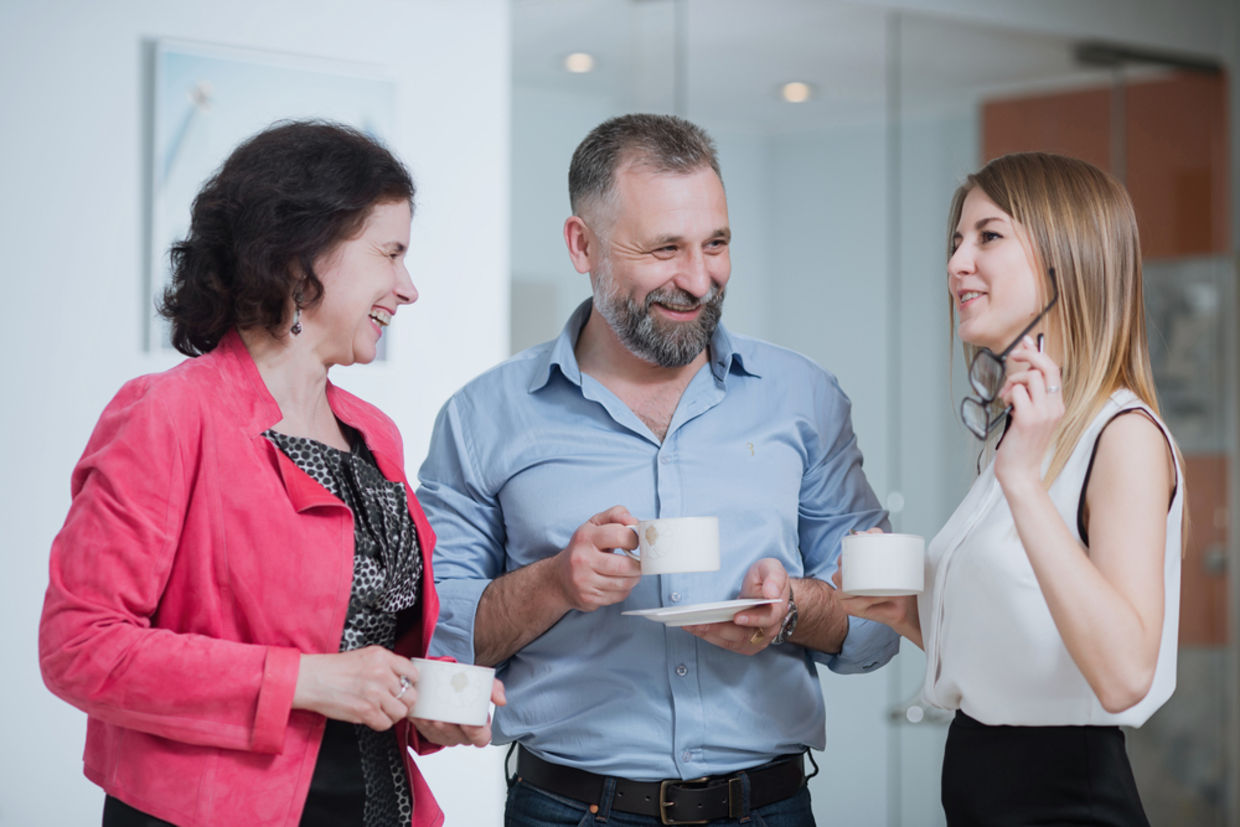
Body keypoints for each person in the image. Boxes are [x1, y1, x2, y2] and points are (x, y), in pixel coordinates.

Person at [418, 113, 898, 826]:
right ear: (583, 245)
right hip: (568, 809)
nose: (698, 279)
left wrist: (796, 604)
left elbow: (881, 614)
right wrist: (555, 582)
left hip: (768, 807)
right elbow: (436, 638)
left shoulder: (806, 398)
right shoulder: (481, 417)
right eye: (666, 248)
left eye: (716, 244)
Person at [38, 120, 503, 827]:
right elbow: (80, 646)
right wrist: (304, 680)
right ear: (300, 255)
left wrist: (424, 705)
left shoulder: (374, 436)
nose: (407, 288)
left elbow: (364, 649)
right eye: (390, 253)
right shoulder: (169, 413)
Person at [838, 151, 1182, 825]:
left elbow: (1121, 675)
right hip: (982, 788)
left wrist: (1021, 482)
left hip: (1063, 801)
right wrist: (907, 614)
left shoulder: (1123, 436)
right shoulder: (1027, 434)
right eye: (956, 241)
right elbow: (1026, 655)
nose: (956, 262)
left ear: (1066, 258)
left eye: (988, 236)